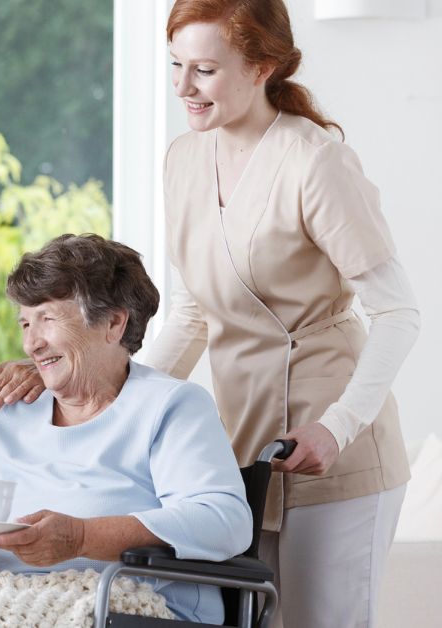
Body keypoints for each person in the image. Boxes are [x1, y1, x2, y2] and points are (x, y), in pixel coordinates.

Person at [153, 2, 418, 626]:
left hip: (334, 446)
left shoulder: (315, 162)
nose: (183, 86)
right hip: (242, 447)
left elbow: (398, 312)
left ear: (262, 67)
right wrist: (119, 404)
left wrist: (338, 426)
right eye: (176, 65)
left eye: (204, 70)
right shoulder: (183, 159)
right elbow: (192, 311)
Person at [0, 234, 251, 624]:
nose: (31, 344)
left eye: (47, 319)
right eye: (25, 323)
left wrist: (81, 538)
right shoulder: (3, 408)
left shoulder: (171, 407)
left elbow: (223, 519)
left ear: (113, 323)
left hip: (128, 608)